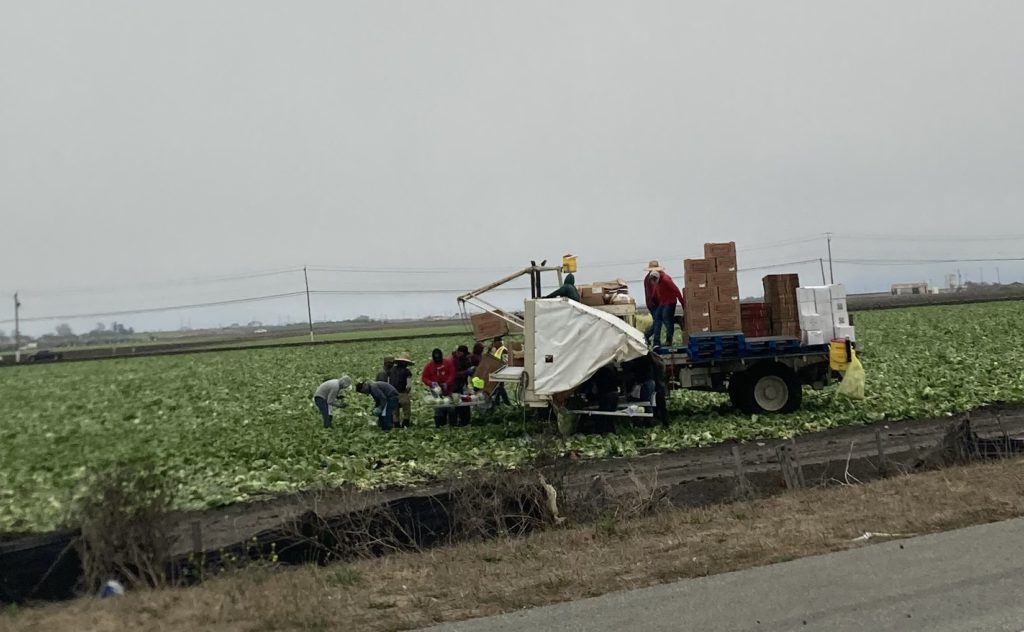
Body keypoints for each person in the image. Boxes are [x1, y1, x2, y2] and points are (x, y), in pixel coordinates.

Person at [649, 269, 685, 348]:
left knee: (666, 319)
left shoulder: (666, 280)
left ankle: (669, 340)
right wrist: (653, 299)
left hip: (670, 302)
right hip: (662, 302)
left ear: (657, 278)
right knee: (657, 318)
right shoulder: (654, 280)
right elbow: (655, 290)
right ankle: (656, 342)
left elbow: (676, 290)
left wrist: (682, 303)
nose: (654, 283)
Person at [421, 348, 457, 427]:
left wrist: (447, 383)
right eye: (436, 358)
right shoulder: (429, 366)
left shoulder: (447, 363)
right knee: (438, 407)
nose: (437, 359)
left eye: (439, 358)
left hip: (448, 389)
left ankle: (453, 424)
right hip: (436, 390)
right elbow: (424, 377)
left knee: (450, 406)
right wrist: (431, 383)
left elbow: (452, 374)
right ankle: (440, 425)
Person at [390, 352, 414, 428]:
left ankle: (396, 426)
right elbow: (408, 385)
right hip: (402, 393)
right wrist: (407, 392)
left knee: (395, 412)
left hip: (392, 394)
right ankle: (405, 425)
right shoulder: (407, 371)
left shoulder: (392, 370)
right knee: (406, 411)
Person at [451, 345, 473, 426]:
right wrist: (465, 372)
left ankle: (465, 421)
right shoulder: (453, 360)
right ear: (459, 352)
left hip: (463, 384)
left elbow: (469, 368)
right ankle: (457, 421)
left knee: (465, 403)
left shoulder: (465, 359)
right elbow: (453, 374)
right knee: (457, 403)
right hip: (455, 385)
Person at [487, 337, 511, 406]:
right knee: (498, 388)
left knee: (499, 388)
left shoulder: (503, 350)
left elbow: (505, 362)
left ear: (499, 342)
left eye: (494, 342)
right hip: (498, 372)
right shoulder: (499, 350)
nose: (493, 344)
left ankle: (506, 403)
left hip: (500, 372)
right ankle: (499, 403)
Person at [643, 260, 661, 343]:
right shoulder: (652, 278)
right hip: (654, 303)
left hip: (651, 303)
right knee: (658, 321)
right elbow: (654, 293)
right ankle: (647, 336)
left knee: (657, 321)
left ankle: (653, 339)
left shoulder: (647, 277)